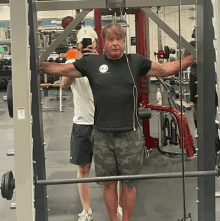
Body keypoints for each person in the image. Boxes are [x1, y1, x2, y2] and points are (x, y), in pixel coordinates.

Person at [42, 23, 195, 221]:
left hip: (130, 134)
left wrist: (194, 56)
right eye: (110, 39)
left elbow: (165, 69)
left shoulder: (136, 62)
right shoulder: (91, 63)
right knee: (109, 183)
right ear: (104, 43)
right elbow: (61, 70)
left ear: (124, 41)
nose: (115, 43)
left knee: (130, 184)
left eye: (119, 39)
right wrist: (33, 62)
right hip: (102, 135)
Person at [62, 26, 98, 221]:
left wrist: (95, 60)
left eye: (89, 43)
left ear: (96, 44)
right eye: (82, 43)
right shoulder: (72, 60)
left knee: (112, 169)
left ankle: (116, 206)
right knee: (83, 168)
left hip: (103, 123)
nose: (85, 46)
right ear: (78, 45)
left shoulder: (103, 60)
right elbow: (64, 84)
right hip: (82, 123)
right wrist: (77, 62)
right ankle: (87, 210)